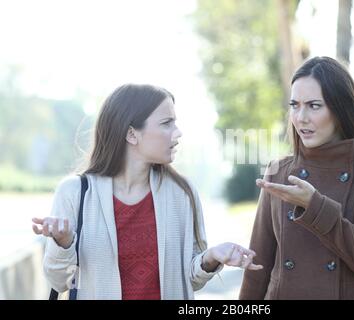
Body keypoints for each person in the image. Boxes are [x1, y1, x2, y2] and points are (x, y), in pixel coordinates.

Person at [32, 84, 262, 300]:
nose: (177, 132)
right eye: (166, 123)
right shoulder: (75, 192)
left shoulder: (182, 192)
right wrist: (64, 243)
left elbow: (190, 280)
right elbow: (61, 281)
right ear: (132, 134)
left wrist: (211, 258)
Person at [239, 56, 354, 300]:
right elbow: (257, 268)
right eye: (294, 105)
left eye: (314, 105)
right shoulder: (279, 171)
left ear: (342, 108)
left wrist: (315, 206)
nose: (301, 117)